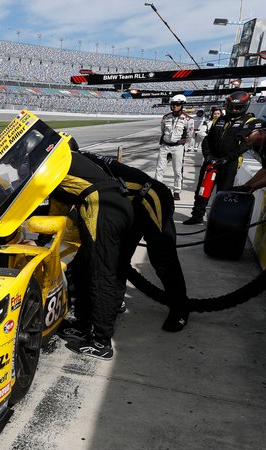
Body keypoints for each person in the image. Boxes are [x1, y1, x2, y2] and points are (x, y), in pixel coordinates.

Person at [80, 149, 189, 332]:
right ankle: (115, 300)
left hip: (151, 197)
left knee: (163, 260)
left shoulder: (73, 163)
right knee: (118, 256)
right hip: (129, 203)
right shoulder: (80, 157)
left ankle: (180, 310)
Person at [52, 143, 134, 359]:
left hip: (102, 208)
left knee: (100, 274)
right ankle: (83, 324)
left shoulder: (51, 163)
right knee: (84, 267)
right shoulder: (72, 160)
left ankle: (101, 341)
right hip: (117, 204)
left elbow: (55, 208)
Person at [184, 91, 258, 225]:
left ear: (244, 106)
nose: (233, 110)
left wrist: (226, 159)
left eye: (237, 107)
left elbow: (246, 146)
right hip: (211, 160)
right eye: (231, 106)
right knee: (202, 189)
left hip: (229, 163)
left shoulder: (249, 121)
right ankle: (197, 216)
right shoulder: (220, 119)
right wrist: (208, 156)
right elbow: (207, 139)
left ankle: (218, 220)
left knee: (223, 193)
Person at [154, 94, 192, 201]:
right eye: (173, 104)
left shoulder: (188, 119)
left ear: (182, 105)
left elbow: (189, 134)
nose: (175, 106)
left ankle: (176, 190)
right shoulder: (166, 117)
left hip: (178, 147)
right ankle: (157, 188)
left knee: (177, 170)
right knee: (159, 169)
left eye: (177, 104)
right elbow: (163, 131)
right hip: (165, 146)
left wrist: (182, 144)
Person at [230, 119, 266, 191]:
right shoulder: (261, 147)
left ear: (261, 132)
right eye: (244, 135)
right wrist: (245, 186)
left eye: (248, 134)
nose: (245, 138)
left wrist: (251, 187)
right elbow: (265, 169)